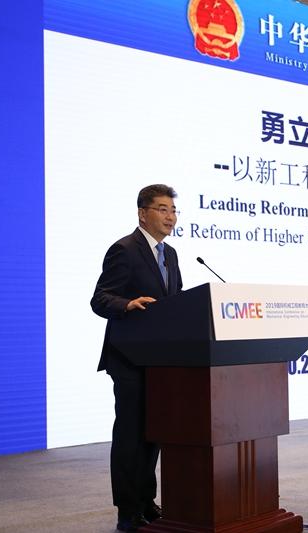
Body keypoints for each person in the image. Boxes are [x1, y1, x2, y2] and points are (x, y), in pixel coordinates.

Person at [91, 184, 183, 532]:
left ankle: (146, 501)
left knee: (153, 434)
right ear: (143, 213)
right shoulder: (125, 250)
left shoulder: (170, 254)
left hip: (159, 361)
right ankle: (127, 510)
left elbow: (174, 300)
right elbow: (100, 299)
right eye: (162, 209)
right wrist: (127, 304)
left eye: (173, 210)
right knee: (130, 436)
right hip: (129, 358)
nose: (170, 217)